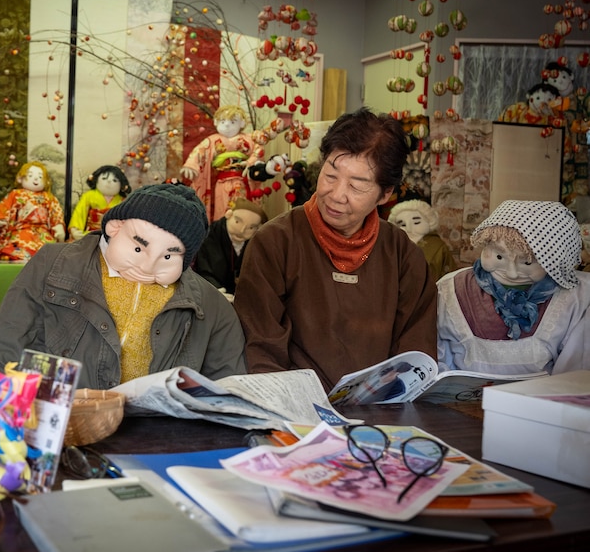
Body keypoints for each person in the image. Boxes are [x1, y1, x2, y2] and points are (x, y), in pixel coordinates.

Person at [234, 108, 437, 390]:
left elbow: (415, 353)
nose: (337, 195)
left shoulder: (403, 255)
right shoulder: (275, 242)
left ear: (385, 193)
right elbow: (261, 349)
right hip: (297, 410)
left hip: (377, 413)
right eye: (331, 175)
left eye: (357, 186)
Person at [0, 183, 247, 389]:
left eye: (168, 257)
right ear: (115, 227)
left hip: (155, 437)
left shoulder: (210, 304)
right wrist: (10, 415)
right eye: (138, 247)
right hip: (59, 424)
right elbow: (10, 340)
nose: (146, 267)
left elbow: (226, 383)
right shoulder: (54, 264)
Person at [437, 200, 590, 376]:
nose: (512, 273)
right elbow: (438, 356)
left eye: (527, 262)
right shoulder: (451, 289)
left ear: (557, 260)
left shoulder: (578, 296)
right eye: (499, 256)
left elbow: (575, 376)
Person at [180, 105, 264, 222]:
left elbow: (258, 150)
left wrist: (250, 162)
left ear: (242, 123)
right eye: (222, 121)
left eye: (233, 121)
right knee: (222, 209)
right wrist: (191, 165)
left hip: (241, 180)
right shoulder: (213, 140)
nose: (227, 125)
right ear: (216, 122)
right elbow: (201, 151)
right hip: (221, 183)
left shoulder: (248, 139)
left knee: (241, 210)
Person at [192, 198, 267, 300]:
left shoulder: (255, 242)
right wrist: (215, 290)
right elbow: (204, 269)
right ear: (229, 215)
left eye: (251, 228)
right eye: (237, 222)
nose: (241, 230)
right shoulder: (210, 236)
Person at [0, 161, 65, 261]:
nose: (36, 179)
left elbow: (56, 213)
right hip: (21, 229)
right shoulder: (15, 194)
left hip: (42, 231)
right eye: (30, 176)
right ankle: (18, 257)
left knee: (50, 251)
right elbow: (4, 207)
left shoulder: (49, 197)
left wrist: (58, 226)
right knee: (17, 244)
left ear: (46, 181)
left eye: (40, 177)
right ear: (20, 179)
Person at [388, 199, 457, 280]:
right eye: (402, 224)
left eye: (416, 222)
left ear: (429, 222)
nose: (409, 229)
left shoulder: (437, 247)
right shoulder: (391, 246)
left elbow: (449, 275)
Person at [68, 165, 130, 241]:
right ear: (96, 180)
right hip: (91, 233)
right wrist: (75, 230)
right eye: (104, 178)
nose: (109, 182)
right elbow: (79, 213)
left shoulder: (123, 201)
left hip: (114, 236)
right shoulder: (89, 196)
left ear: (122, 185)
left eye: (115, 180)